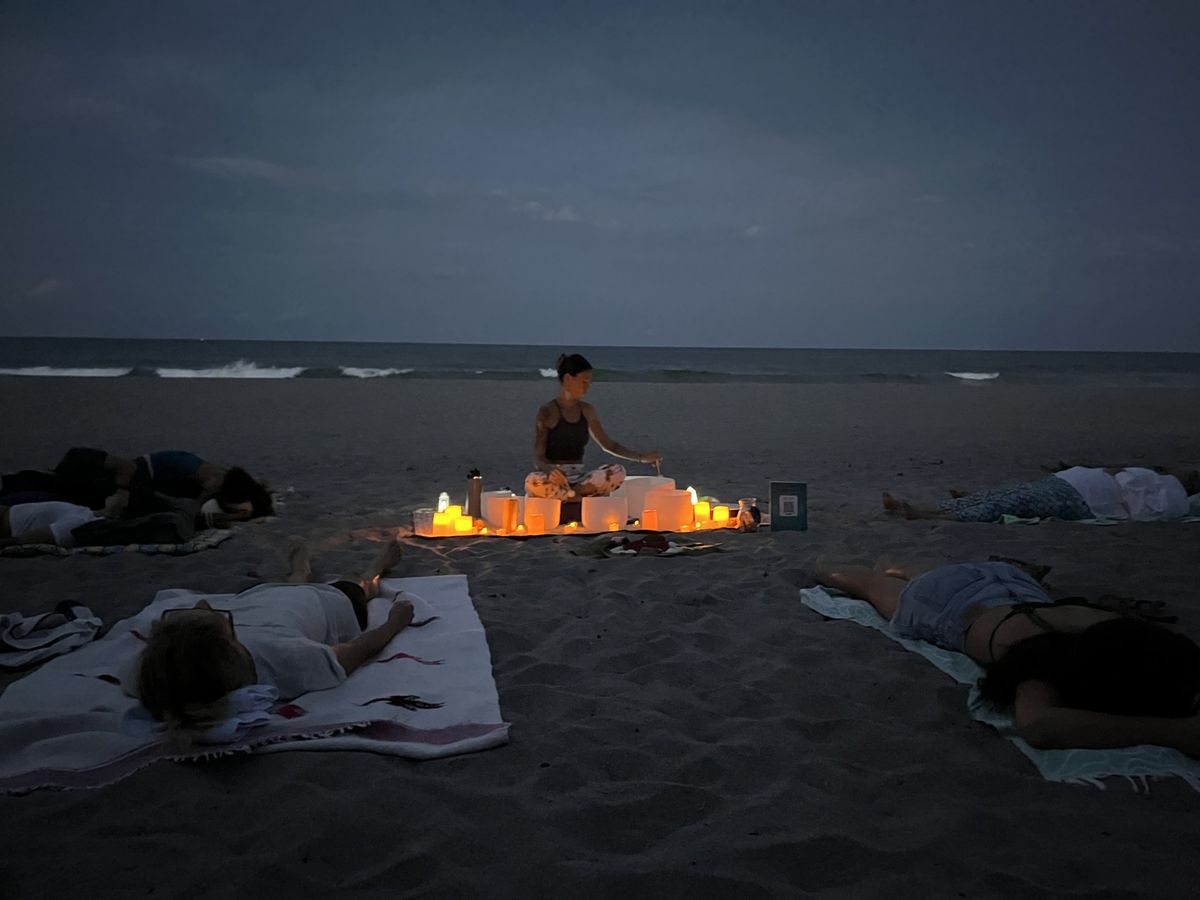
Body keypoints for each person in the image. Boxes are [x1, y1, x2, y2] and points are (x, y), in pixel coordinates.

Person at [814, 558, 1200, 756]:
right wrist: (1178, 734)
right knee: (868, 585)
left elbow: (1167, 652)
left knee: (922, 572)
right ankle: (829, 568)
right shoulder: (1041, 663)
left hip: (1007, 581)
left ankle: (880, 562)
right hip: (948, 606)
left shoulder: (1099, 625)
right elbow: (1040, 726)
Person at [132, 541, 427, 730]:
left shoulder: (164, 665)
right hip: (326, 604)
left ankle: (300, 572)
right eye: (213, 617)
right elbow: (357, 649)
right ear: (232, 642)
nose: (204, 604)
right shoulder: (288, 660)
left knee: (288, 586)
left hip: (258, 602)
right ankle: (374, 568)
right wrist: (394, 622)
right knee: (358, 586)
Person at [525, 353, 663, 501]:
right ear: (567, 379)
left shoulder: (587, 410)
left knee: (617, 471)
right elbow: (538, 458)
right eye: (584, 382)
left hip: (580, 479)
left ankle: (571, 495)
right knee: (533, 481)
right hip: (553, 478)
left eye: (589, 382)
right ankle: (579, 498)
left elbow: (608, 445)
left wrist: (641, 458)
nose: (587, 387)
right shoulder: (547, 411)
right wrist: (550, 470)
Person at [883, 465, 1193, 523]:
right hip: (1070, 482)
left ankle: (924, 514)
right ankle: (922, 506)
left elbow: (1140, 511)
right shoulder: (1155, 476)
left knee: (1012, 503)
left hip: (1085, 501)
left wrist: (1123, 478)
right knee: (1003, 494)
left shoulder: (1174, 499)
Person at [54, 447, 273, 520]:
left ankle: (248, 497)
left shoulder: (81, 458)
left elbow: (126, 467)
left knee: (211, 487)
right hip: (163, 479)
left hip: (153, 471)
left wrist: (120, 492)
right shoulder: (88, 484)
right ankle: (249, 497)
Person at [0, 500, 98, 548]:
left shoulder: (77, 523)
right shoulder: (85, 514)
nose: (111, 496)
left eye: (114, 496)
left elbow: (20, 540)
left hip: (5, 522)